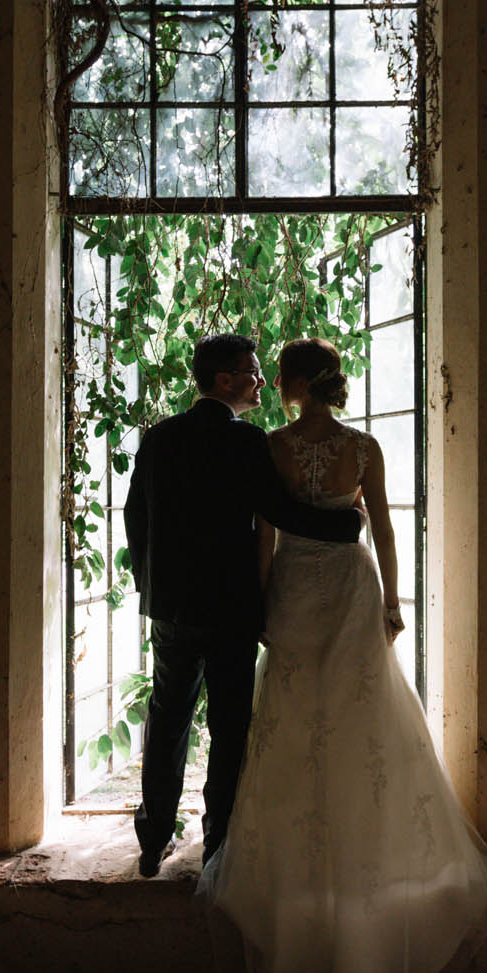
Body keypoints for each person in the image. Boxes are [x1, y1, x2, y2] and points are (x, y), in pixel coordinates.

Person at [199, 337, 487, 973]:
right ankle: (359, 881)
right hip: (350, 585)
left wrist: (266, 601)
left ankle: (302, 908)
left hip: (300, 591)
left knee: (295, 727)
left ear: (293, 381)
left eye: (277, 373)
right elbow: (387, 530)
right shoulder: (364, 447)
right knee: (359, 726)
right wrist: (392, 601)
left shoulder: (271, 445)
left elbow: (264, 535)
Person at [123, 333, 363, 879]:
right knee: (230, 726)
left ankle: (153, 838)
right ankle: (217, 847)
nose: (261, 380)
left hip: (173, 608)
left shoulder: (159, 438)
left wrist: (150, 583)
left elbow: (135, 517)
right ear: (226, 379)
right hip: (231, 610)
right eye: (252, 371)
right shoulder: (247, 442)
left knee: (168, 720)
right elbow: (278, 511)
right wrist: (346, 524)